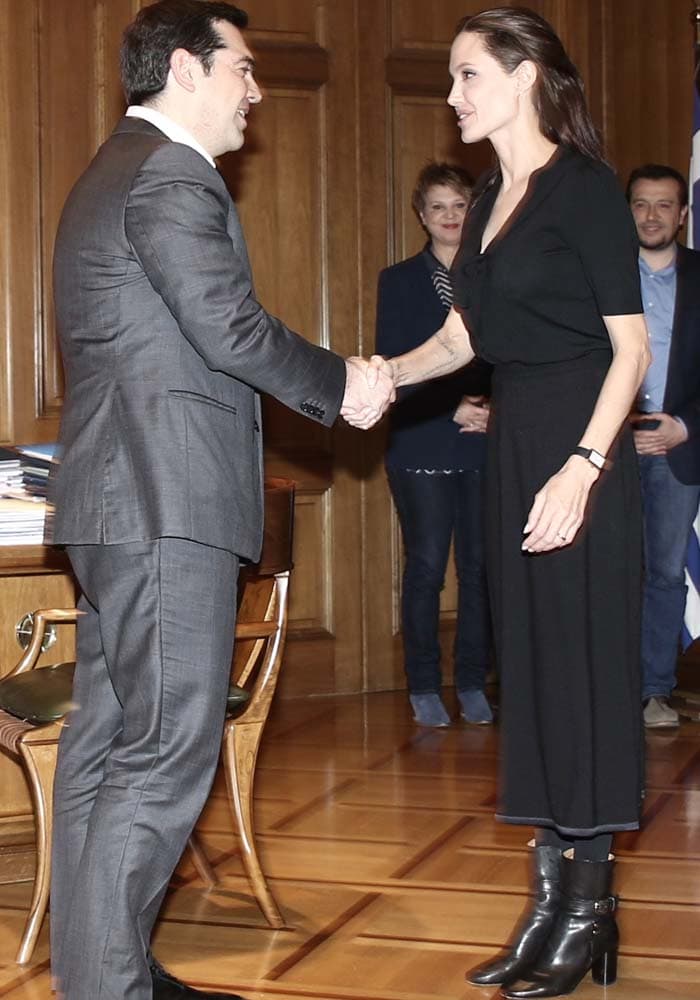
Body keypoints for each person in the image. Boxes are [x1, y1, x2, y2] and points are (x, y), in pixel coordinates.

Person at [46, 3, 392, 999]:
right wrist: (341, 384)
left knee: (107, 747)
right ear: (190, 67)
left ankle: (105, 976)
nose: (257, 88)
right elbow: (228, 328)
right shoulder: (167, 174)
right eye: (243, 67)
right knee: (164, 752)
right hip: (164, 504)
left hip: (123, 506)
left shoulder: (116, 168)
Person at [365, 7, 650, 997]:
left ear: (524, 75)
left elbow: (633, 348)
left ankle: (589, 904)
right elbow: (462, 341)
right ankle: (548, 899)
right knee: (529, 671)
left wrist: (581, 467)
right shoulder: (489, 196)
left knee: (581, 672)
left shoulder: (583, 192)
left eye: (465, 76)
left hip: (579, 450)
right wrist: (378, 378)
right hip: (516, 447)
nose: (451, 97)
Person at [375, 162, 494, 727]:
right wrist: (452, 408)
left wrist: (494, 410)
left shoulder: (491, 275)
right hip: (423, 438)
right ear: (422, 216)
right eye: (438, 207)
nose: (450, 217)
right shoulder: (397, 280)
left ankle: (472, 681)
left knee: (479, 569)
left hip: (487, 440)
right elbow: (394, 360)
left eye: (459, 205)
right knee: (426, 567)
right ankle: (423, 684)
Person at [626, 164, 700, 729]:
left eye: (663, 205)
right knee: (607, 569)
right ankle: (605, 687)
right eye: (641, 204)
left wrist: (686, 426)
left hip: (678, 449)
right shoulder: (600, 278)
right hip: (608, 450)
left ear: (682, 215)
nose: (651, 216)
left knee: (665, 573)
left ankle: (653, 689)